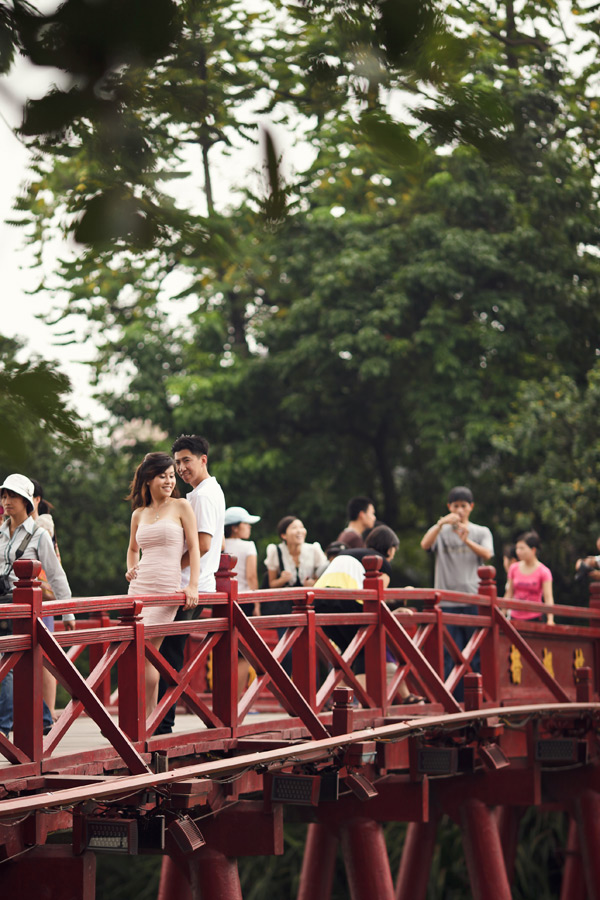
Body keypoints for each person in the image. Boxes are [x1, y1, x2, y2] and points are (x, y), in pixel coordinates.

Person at [155, 434, 225, 734]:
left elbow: (205, 544)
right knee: (166, 653)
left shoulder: (203, 495)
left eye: (187, 461)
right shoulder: (204, 491)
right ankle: (158, 722)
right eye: (178, 463)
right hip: (189, 585)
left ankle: (161, 725)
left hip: (187, 587)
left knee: (167, 656)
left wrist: (166, 566)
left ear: (202, 460)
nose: (182, 468)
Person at [0, 474, 75, 738]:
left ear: (27, 502)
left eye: (13, 496)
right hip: (2, 607)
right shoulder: (0, 532)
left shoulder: (40, 535)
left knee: (9, 664)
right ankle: (42, 717)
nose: (7, 501)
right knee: (11, 665)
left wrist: (67, 610)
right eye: (5, 495)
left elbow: (55, 575)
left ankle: (4, 727)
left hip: (24, 609)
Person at [125, 452, 201, 712]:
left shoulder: (181, 506)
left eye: (171, 476)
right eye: (163, 476)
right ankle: (139, 718)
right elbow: (133, 549)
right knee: (135, 652)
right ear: (148, 479)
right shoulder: (139, 514)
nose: (169, 481)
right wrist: (130, 568)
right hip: (139, 588)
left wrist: (192, 585)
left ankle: (147, 720)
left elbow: (194, 548)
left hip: (166, 589)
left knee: (149, 652)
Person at [315, 525, 424, 704]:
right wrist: (395, 608)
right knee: (366, 648)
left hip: (318, 602)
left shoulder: (349, 553)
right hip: (347, 601)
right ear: (390, 549)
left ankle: (332, 704)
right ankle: (359, 705)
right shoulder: (381, 562)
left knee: (348, 654)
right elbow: (377, 598)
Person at [420, 486, 494, 699]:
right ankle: (453, 698)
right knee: (449, 654)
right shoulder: (441, 532)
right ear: (449, 507)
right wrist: (441, 523)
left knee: (474, 653)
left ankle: (476, 696)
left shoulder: (481, 531)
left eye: (463, 506)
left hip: (472, 599)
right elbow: (425, 544)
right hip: (446, 601)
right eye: (455, 506)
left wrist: (467, 540)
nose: (460, 510)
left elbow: (488, 554)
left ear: (471, 507)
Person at [265, 516, 327, 673]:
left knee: (310, 649)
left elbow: (325, 577)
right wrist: (283, 579)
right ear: (283, 535)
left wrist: (314, 583)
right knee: (286, 650)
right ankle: (285, 688)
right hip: (285, 606)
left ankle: (313, 694)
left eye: (301, 527)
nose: (299, 531)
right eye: (294, 527)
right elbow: (272, 584)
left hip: (310, 604)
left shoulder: (314, 550)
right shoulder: (276, 551)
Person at [224, 505, 261, 696]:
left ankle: (222, 700)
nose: (250, 527)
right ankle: (236, 700)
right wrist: (256, 604)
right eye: (246, 524)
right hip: (244, 600)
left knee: (223, 651)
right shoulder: (248, 546)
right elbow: (252, 576)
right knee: (242, 655)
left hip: (222, 600)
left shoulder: (220, 545)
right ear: (235, 527)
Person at [505, 531, 554, 625]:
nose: (518, 551)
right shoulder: (513, 568)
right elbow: (509, 593)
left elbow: (548, 598)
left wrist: (550, 619)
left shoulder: (544, 571)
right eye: (517, 548)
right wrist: (502, 614)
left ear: (533, 550)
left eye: (522, 548)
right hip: (515, 617)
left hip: (535, 618)